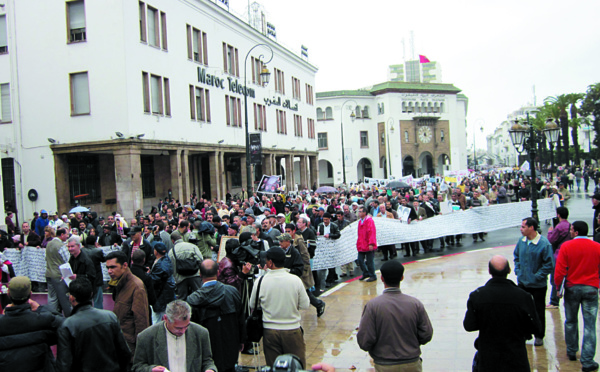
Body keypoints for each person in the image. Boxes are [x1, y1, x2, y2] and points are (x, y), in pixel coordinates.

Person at [463, 255, 541, 371]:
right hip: (516, 358)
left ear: (489, 271)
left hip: (489, 359)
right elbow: (536, 328)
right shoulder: (523, 297)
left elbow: (469, 325)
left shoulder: (477, 296)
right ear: (509, 270)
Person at [357, 260, 433, 371]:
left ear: (382, 278)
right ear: (402, 277)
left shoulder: (373, 306)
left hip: (384, 365)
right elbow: (427, 334)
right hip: (411, 363)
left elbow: (365, 341)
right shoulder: (415, 304)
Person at [249, 247, 310, 368]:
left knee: (274, 366)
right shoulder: (295, 280)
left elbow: (252, 305)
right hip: (292, 330)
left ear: (270, 263)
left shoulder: (260, 281)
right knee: (296, 366)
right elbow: (305, 304)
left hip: (269, 330)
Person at [57, 277, 132, 372]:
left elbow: (64, 364)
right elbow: (124, 353)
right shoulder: (110, 317)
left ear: (72, 298)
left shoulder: (67, 326)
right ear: (91, 294)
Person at [555, 221, 600, 371]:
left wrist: (557, 288)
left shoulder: (566, 246)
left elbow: (560, 270)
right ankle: (587, 360)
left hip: (572, 287)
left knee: (571, 321)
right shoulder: (597, 247)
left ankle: (572, 350)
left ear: (575, 232)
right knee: (589, 325)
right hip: (591, 288)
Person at [187, 260, 245, 372]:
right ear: (218, 273)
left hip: (207, 353)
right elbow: (241, 319)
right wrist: (242, 340)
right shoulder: (232, 292)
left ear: (200, 274)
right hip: (230, 348)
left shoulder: (193, 299)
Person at [132, 300, 217, 372]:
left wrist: (210, 369)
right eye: (178, 328)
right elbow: (137, 367)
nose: (183, 331)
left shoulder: (201, 333)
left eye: (186, 326)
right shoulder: (146, 337)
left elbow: (207, 361)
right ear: (165, 319)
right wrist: (151, 369)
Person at [0, 276, 64, 372]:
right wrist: (41, 308)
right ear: (30, 294)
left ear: (8, 294)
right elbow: (65, 324)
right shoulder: (42, 319)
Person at [513, 217, 553, 346]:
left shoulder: (544, 244)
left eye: (523, 226)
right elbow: (517, 257)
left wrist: (537, 276)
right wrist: (518, 270)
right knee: (522, 310)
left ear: (531, 228)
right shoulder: (521, 241)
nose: (521, 229)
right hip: (523, 283)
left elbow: (549, 264)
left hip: (538, 285)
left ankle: (539, 334)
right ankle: (525, 333)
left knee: (538, 310)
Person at [106, 250, 150, 356]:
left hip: (130, 346)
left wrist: (141, 351)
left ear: (124, 265)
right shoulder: (119, 282)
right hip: (121, 341)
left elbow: (141, 320)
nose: (109, 271)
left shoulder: (136, 287)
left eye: (113, 267)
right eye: (108, 268)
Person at [546, 206, 571, 309]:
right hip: (568, 255)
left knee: (556, 279)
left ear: (558, 215)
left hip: (558, 255)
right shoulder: (570, 226)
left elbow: (551, 240)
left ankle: (554, 301)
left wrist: (549, 232)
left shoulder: (559, 227)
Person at [169, 230, 204, 300]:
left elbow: (172, 267)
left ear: (172, 241)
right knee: (200, 295)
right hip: (194, 274)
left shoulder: (171, 251)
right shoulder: (192, 246)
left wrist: (176, 279)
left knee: (182, 298)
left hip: (181, 277)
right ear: (181, 237)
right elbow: (200, 259)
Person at [45, 227, 72, 316]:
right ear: (62, 235)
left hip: (49, 274)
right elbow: (68, 260)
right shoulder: (61, 246)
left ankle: (52, 316)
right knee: (64, 298)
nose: (67, 236)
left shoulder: (49, 244)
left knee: (52, 298)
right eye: (67, 234)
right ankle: (69, 316)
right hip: (59, 275)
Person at [148, 243, 176, 324]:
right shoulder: (166, 260)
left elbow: (155, 281)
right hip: (166, 293)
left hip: (161, 295)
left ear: (156, 252)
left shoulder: (160, 265)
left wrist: (148, 275)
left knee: (156, 317)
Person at [130, 250, 157, 325]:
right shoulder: (146, 277)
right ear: (144, 260)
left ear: (132, 259)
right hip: (143, 309)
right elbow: (152, 299)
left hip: (128, 308)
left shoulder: (126, 274)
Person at [356, 206, 377, 282]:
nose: (359, 213)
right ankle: (365, 273)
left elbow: (371, 232)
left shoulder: (369, 221)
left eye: (361, 211)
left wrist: (371, 243)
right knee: (360, 260)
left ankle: (372, 275)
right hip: (361, 243)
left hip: (368, 243)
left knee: (369, 261)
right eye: (359, 211)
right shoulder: (360, 221)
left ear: (364, 212)